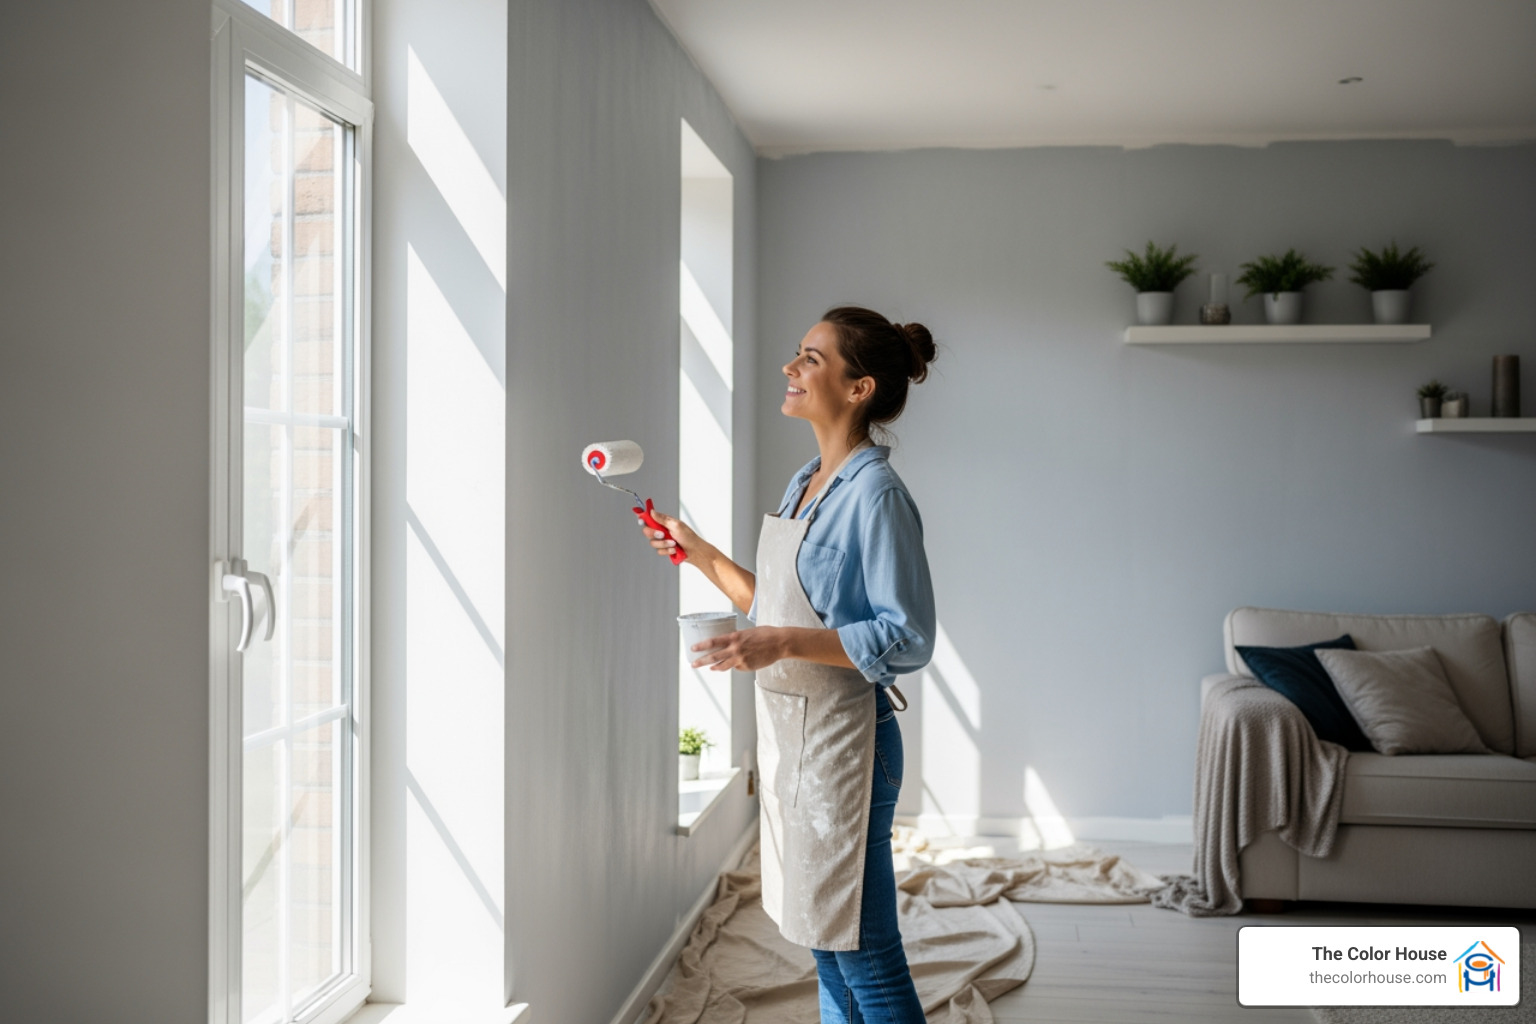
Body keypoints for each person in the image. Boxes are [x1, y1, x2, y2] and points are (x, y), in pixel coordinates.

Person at [638, 305, 938, 1024]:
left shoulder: (877, 495)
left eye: (811, 357)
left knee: (863, 950)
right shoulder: (807, 479)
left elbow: (909, 636)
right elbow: (778, 606)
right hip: (797, 744)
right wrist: (696, 551)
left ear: (858, 387)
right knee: (823, 943)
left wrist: (781, 645)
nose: (790, 367)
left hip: (849, 745)